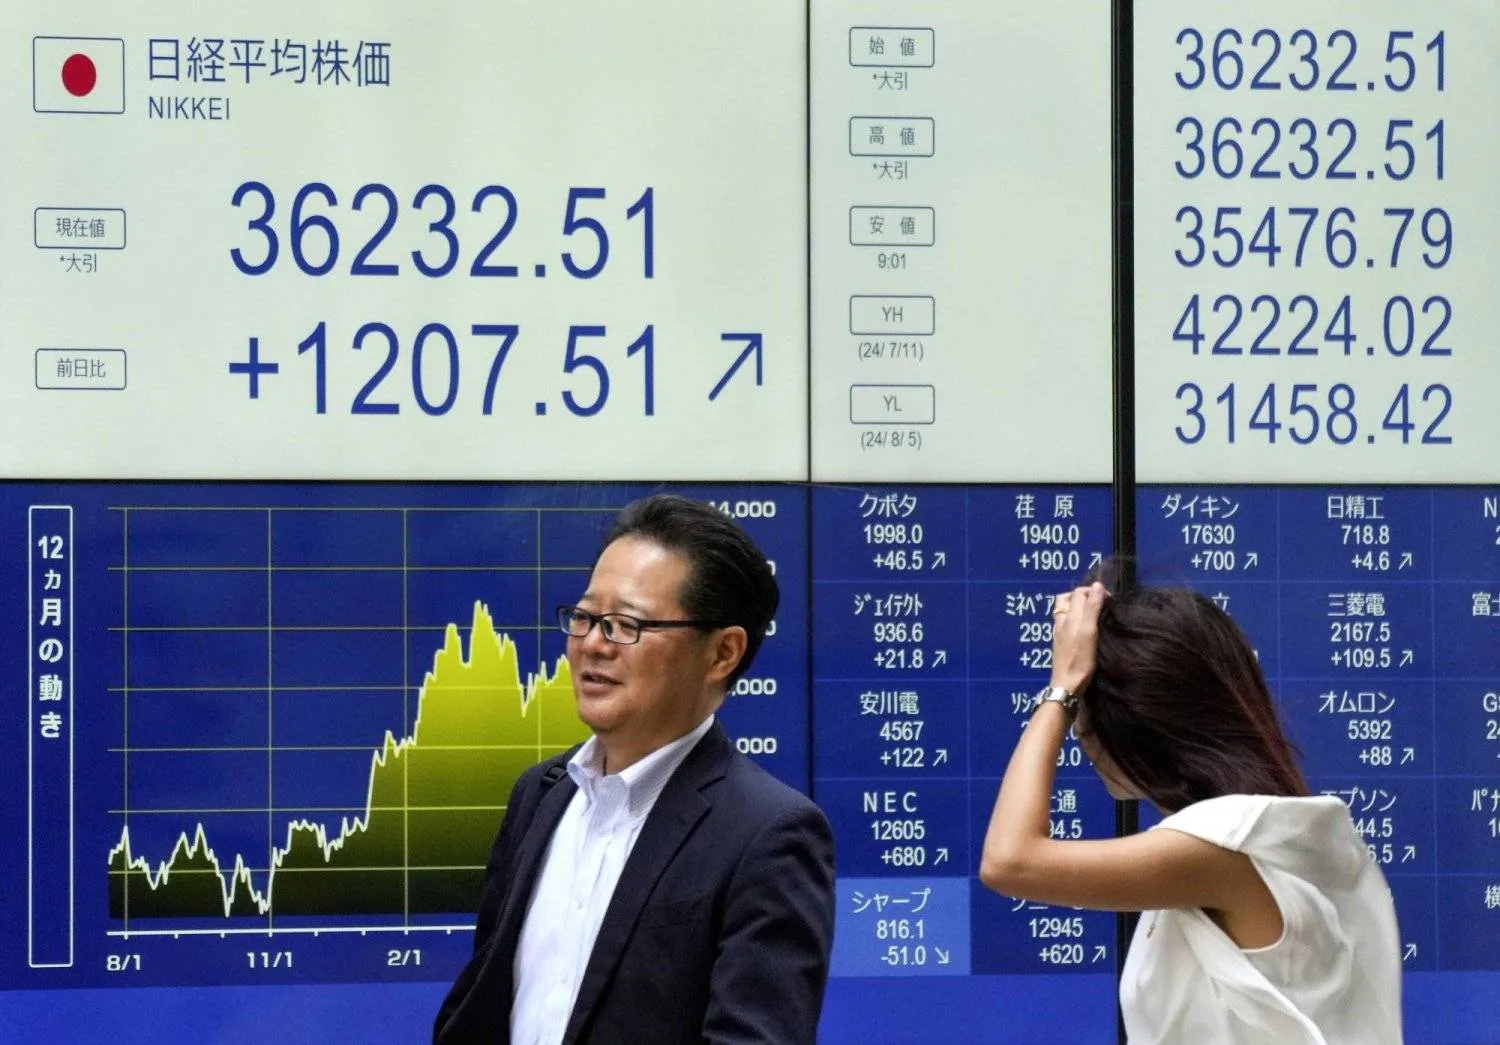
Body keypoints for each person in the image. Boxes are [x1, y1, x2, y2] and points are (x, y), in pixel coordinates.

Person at [433, 494, 835, 1045]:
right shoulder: (540, 795)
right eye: (584, 617)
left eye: (626, 624)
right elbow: (482, 1004)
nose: (593, 644)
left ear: (722, 654)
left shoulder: (768, 834)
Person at [979, 576, 1403, 1044]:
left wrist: (1062, 689)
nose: (1080, 734)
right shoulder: (1298, 837)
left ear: (1131, 724)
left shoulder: (1224, 842)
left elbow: (1010, 861)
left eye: (1084, 717)